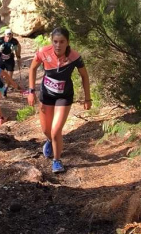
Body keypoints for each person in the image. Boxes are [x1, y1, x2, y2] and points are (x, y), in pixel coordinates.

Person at [27, 27, 92, 173]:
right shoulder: (44, 52)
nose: (58, 45)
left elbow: (84, 76)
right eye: (55, 41)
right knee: (46, 130)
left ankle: (57, 161)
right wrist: (31, 91)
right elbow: (32, 69)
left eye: (62, 42)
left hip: (64, 96)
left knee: (56, 130)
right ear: (51, 41)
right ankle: (50, 141)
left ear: (68, 42)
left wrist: (87, 98)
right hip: (46, 95)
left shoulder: (74, 57)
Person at [0, 28, 22, 96]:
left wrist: (18, 56)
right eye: (7, 36)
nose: (9, 37)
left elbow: (18, 47)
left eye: (10, 35)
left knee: (9, 76)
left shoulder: (14, 41)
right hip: (0, 59)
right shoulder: (0, 40)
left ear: (12, 35)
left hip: (10, 59)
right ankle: (1, 87)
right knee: (0, 75)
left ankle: (5, 90)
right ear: (4, 35)